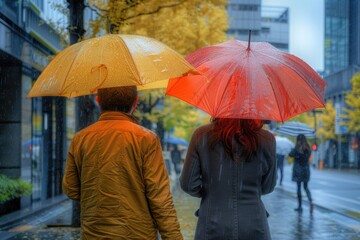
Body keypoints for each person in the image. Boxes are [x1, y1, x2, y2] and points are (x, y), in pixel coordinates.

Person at [62, 86, 183, 240]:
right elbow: (160, 197)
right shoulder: (146, 138)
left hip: (94, 233)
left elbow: (71, 189)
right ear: (136, 101)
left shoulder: (80, 139)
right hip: (138, 234)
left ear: (98, 101)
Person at [180, 118, 276, 240]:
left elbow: (188, 185)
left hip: (212, 224)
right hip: (254, 224)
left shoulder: (202, 134)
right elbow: (269, 186)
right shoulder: (267, 139)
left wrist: (212, 193)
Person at [289, 134, 314, 214]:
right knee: (306, 187)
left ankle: (300, 206)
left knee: (299, 188)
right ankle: (311, 202)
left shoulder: (297, 148)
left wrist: (296, 150)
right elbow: (306, 158)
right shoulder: (307, 148)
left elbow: (290, 154)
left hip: (298, 171)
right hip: (306, 171)